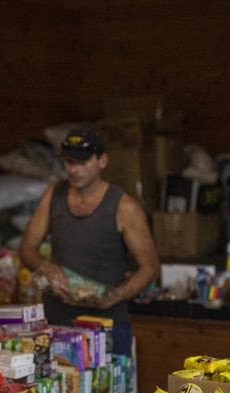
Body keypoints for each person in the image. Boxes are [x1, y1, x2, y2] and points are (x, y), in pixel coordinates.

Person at [17, 127, 160, 357]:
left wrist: (114, 295)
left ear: (102, 161)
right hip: (57, 322)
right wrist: (48, 269)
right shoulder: (54, 194)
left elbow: (150, 268)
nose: (74, 170)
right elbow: (26, 249)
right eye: (68, 162)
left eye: (82, 162)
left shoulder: (124, 207)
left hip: (106, 325)